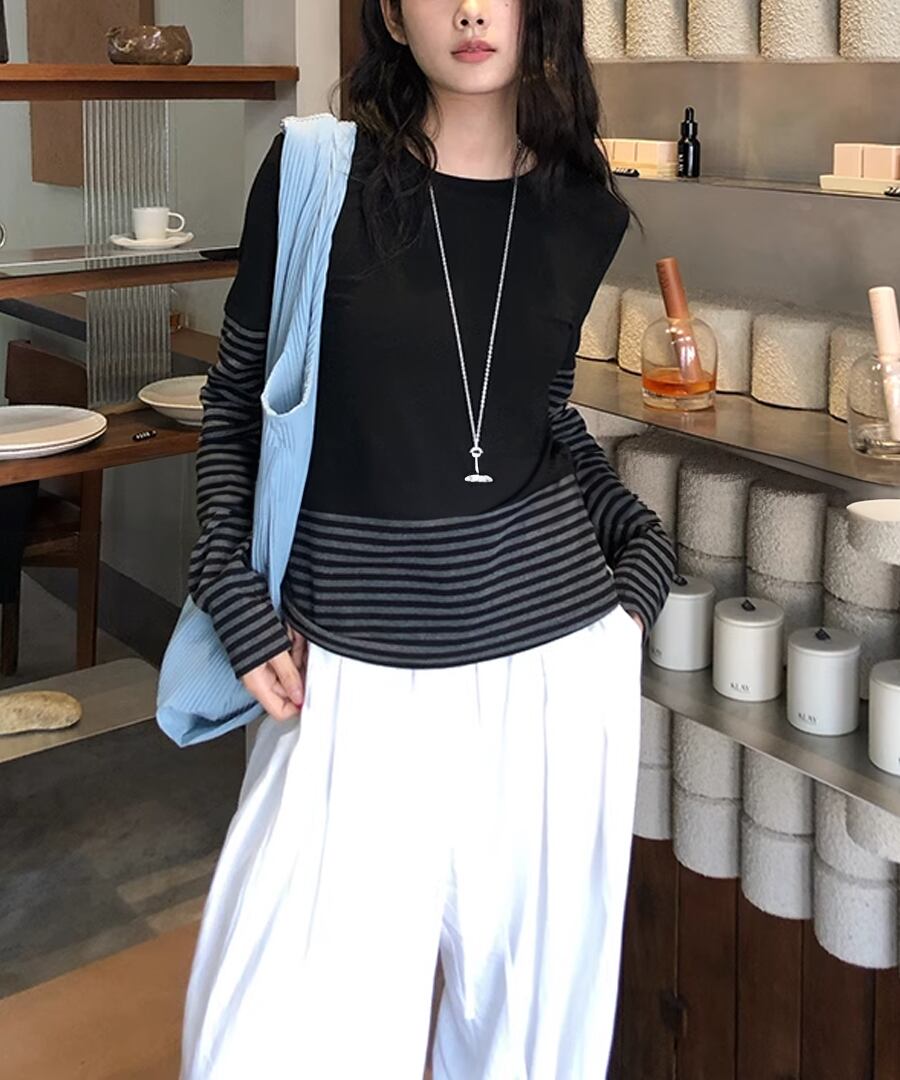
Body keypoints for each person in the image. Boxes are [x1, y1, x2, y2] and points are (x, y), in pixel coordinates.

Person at [178, 1, 676, 1076]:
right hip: (345, 678)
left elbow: (538, 416)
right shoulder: (316, 175)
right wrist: (225, 576)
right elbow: (233, 402)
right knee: (265, 1047)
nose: (470, 11)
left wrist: (639, 554)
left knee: (527, 1052)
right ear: (394, 17)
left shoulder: (582, 210)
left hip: (550, 678)